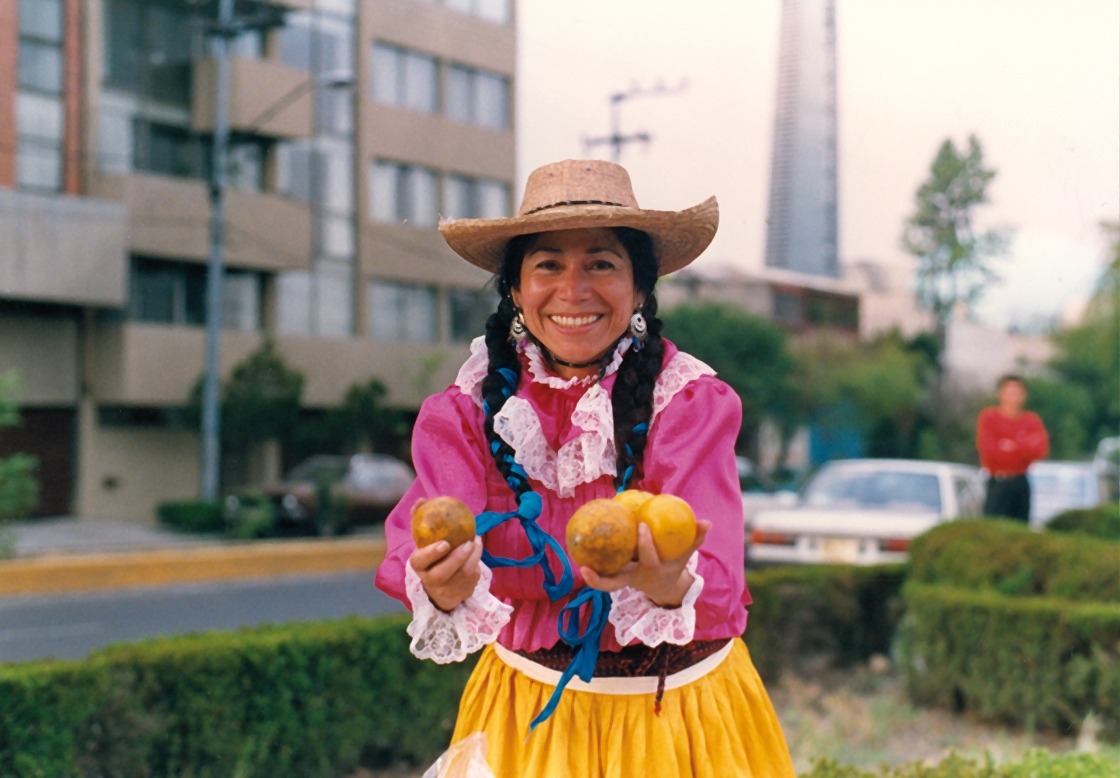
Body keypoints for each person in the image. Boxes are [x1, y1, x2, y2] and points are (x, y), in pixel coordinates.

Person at [375, 159, 794, 777]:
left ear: (640, 289)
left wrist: (668, 584)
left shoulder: (688, 402)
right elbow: (418, 542)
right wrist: (442, 586)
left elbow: (718, 577)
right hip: (523, 722)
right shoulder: (466, 412)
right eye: (548, 264)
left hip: (678, 724)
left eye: (601, 263)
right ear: (516, 289)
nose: (574, 290)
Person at [976, 374, 1050, 522]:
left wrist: (1012, 445)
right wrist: (1023, 444)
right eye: (1009, 391)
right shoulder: (990, 417)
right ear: (1000, 393)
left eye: (1017, 392)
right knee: (993, 527)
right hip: (998, 481)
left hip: (1020, 481)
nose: (1013, 396)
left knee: (1020, 528)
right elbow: (989, 450)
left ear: (1024, 396)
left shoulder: (1031, 421)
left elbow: (1040, 450)